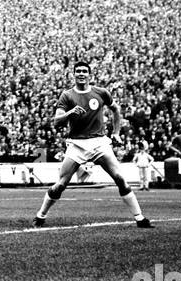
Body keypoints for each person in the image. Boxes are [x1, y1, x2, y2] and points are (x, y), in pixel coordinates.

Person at [34, 61, 153, 229]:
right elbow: (56, 121)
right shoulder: (67, 95)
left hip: (99, 142)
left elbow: (116, 110)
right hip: (77, 144)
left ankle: (140, 218)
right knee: (61, 184)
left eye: (84, 71)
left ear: (90, 74)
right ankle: (41, 215)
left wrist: (116, 133)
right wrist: (70, 112)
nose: (81, 74)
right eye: (78, 71)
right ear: (74, 74)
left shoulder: (101, 92)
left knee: (120, 178)